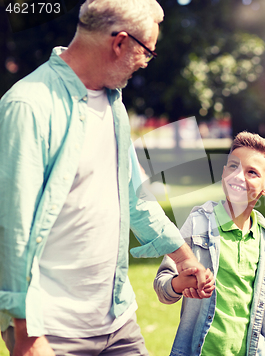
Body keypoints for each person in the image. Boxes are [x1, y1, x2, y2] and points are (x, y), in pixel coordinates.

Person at [0, 0, 214, 355]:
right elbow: (12, 229)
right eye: (147, 51)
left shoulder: (113, 103)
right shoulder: (29, 106)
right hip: (52, 333)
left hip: (117, 322)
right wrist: (27, 333)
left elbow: (135, 196)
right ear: (120, 43)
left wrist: (184, 258)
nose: (146, 61)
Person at [154, 132, 265, 356]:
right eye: (233, 166)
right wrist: (179, 283)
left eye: (251, 172)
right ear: (224, 171)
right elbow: (162, 287)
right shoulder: (197, 224)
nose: (238, 176)